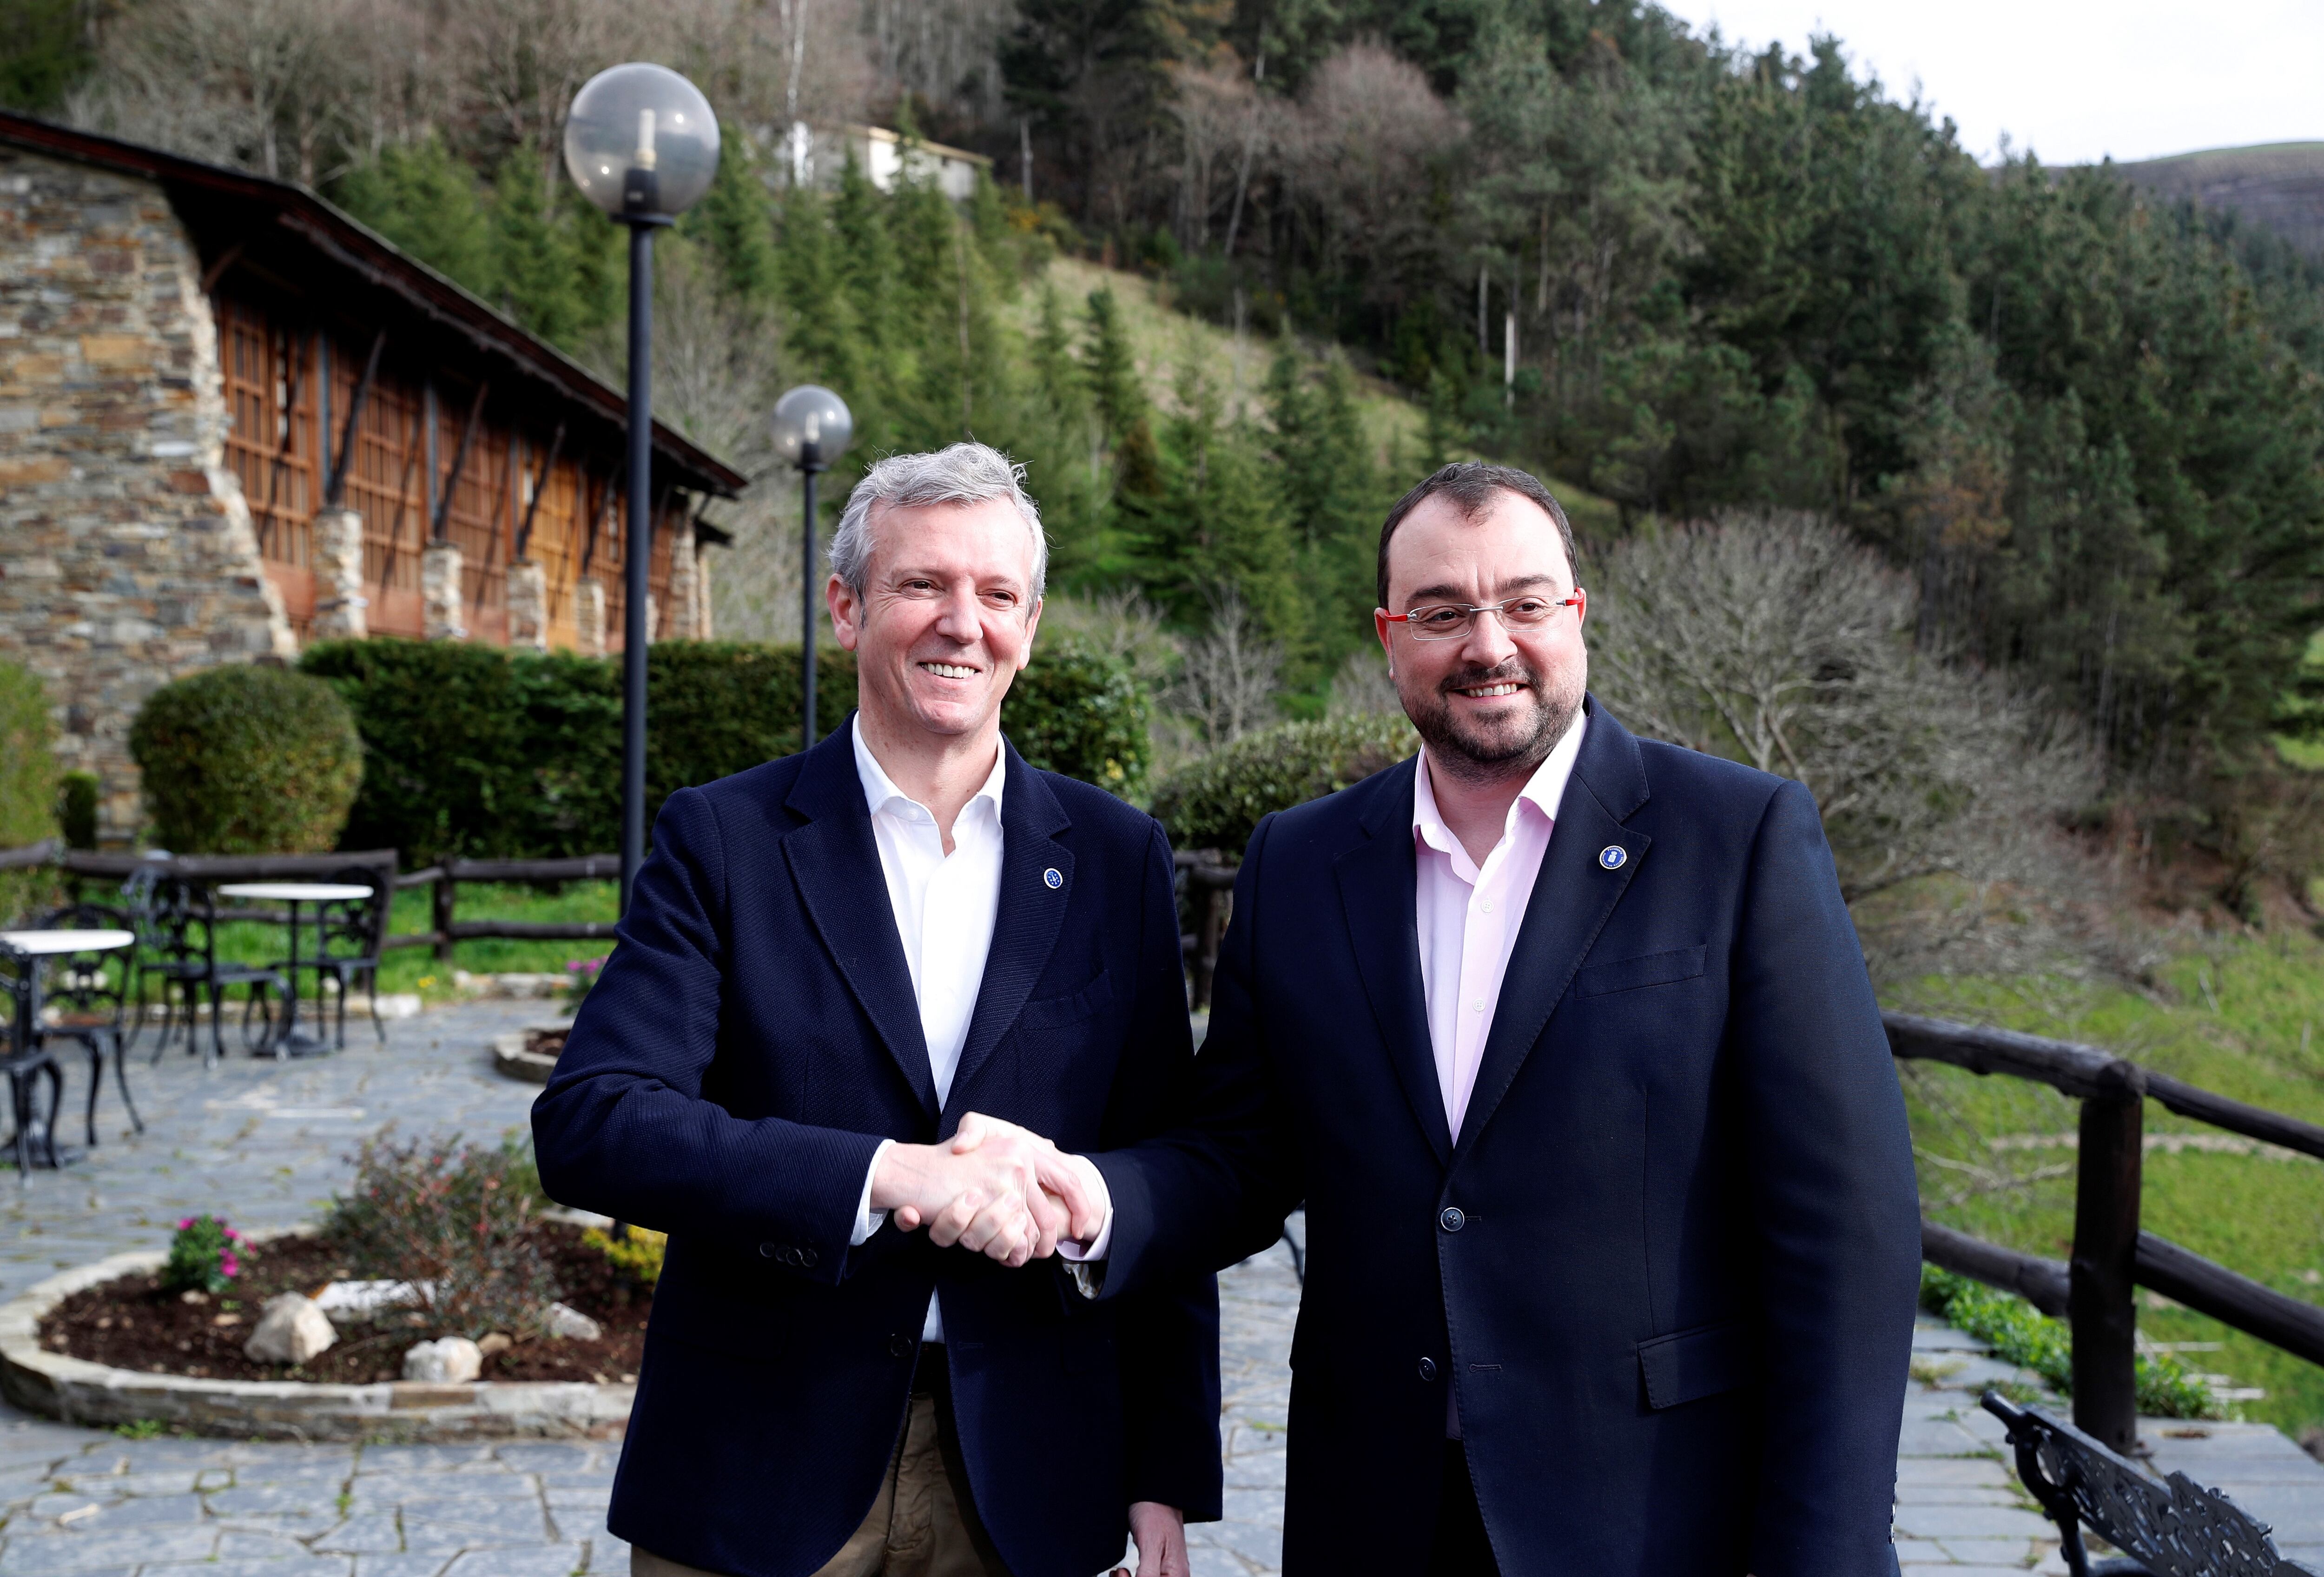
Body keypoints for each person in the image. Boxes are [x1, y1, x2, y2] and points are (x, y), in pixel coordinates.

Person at [1039, 463, 1921, 1575]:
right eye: (1444, 612)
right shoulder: (1301, 863)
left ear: (1577, 616)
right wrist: (1099, 1198)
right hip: (1377, 1509)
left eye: (1523, 602)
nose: (1488, 642)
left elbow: (1848, 1229)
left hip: (1655, 1514)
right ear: (1388, 636)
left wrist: (1830, 1551)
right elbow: (1242, 1158)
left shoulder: (1734, 839)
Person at [531, 443, 1217, 1577]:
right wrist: (885, 1175)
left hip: (1035, 1480)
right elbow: (595, 1121)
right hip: (757, 1472)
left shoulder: (1115, 857)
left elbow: (1169, 1167)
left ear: (1030, 630)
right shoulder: (724, 838)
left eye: (997, 594)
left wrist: (1167, 1470)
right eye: (922, 585)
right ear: (847, 608)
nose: (963, 621)